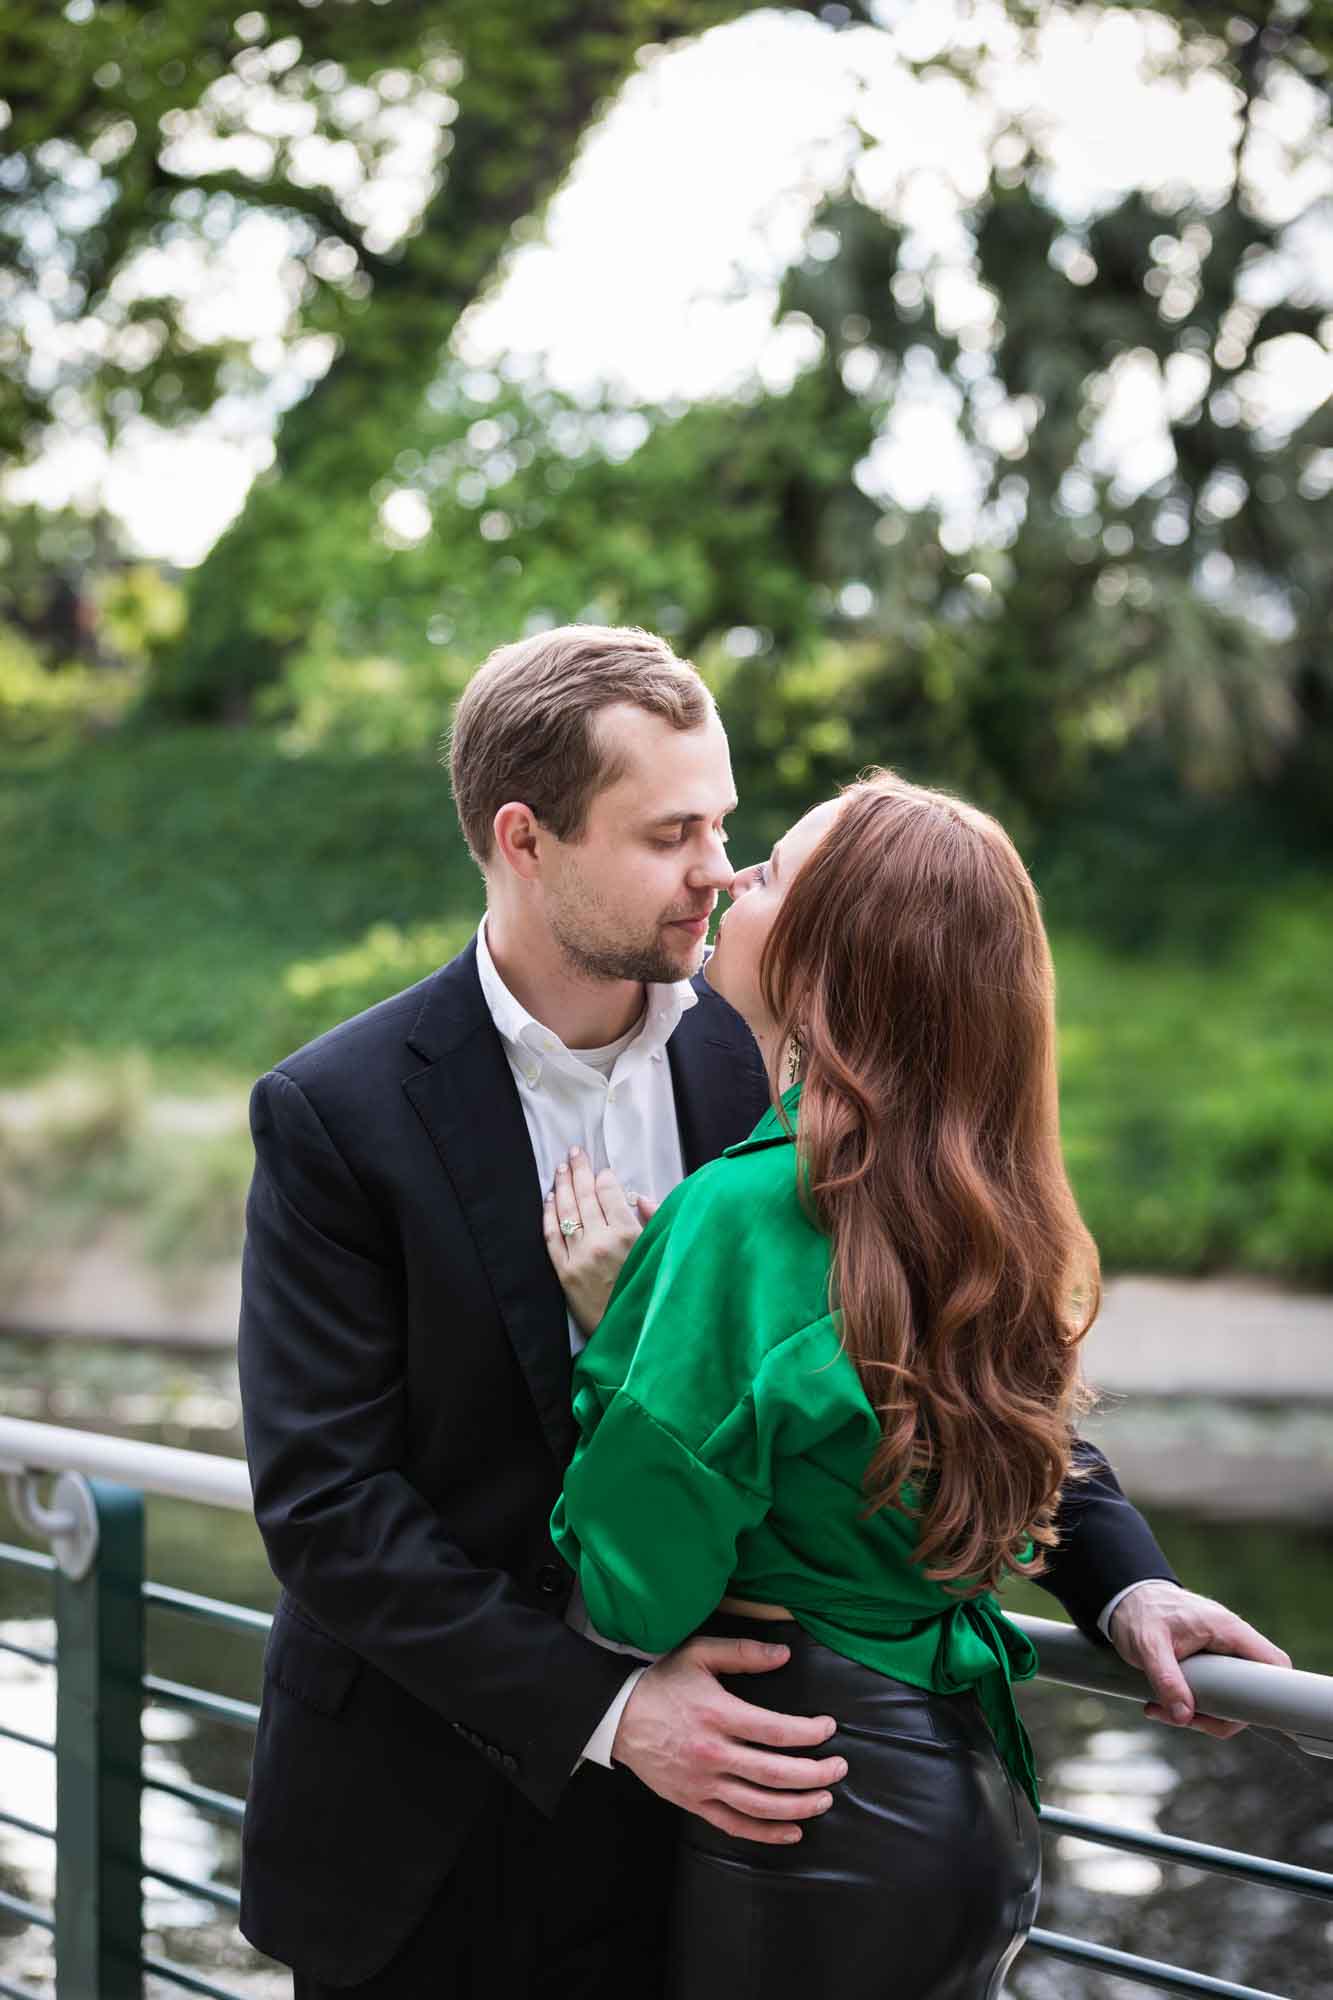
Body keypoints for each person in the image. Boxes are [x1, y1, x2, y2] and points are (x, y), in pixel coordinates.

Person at [237, 626, 1288, 1999]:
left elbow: (934, 1348)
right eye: (671, 831)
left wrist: (1122, 1576)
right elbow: (326, 1506)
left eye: (727, 823)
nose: (720, 870)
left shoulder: (790, 1045)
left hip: (723, 1834)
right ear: (525, 837)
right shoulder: (338, 1109)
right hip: (425, 1837)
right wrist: (608, 1710)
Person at [545, 767, 1294, 1998]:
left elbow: (633, 1587)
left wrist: (627, 1326)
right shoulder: (974, 1211)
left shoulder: (740, 1215)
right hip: (963, 1811)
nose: (734, 876)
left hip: (805, 1828)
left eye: (771, 869)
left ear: (832, 956)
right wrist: (1126, 1586)